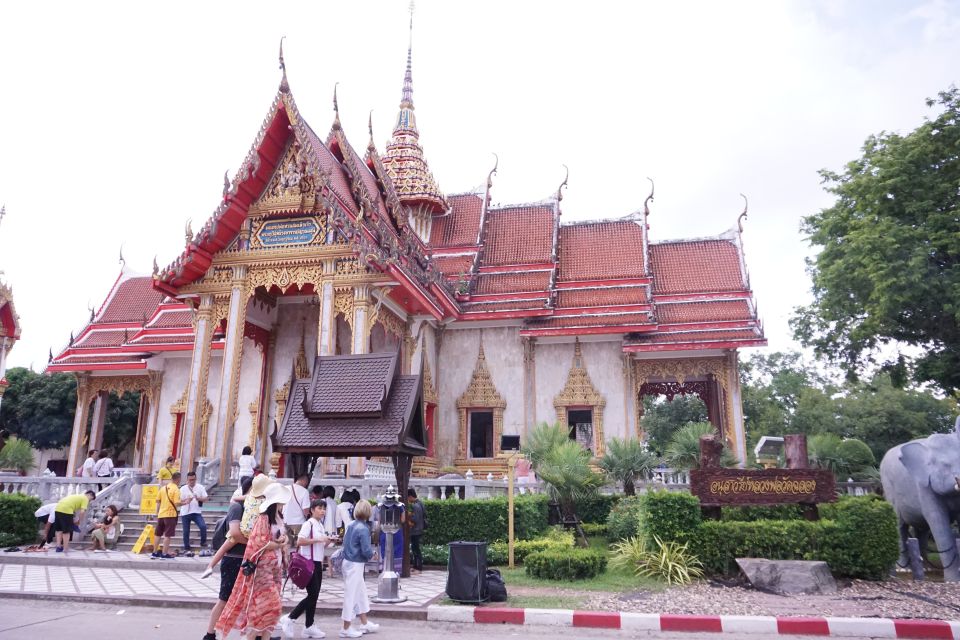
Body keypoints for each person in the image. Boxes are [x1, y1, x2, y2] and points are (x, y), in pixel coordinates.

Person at [216, 482, 290, 640]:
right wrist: (279, 543)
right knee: (268, 608)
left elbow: (280, 538)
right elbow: (259, 543)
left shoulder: (279, 518)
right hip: (263, 570)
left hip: (276, 567)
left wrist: (283, 541)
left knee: (270, 611)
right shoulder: (263, 519)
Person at [202, 476, 253, 640]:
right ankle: (210, 634)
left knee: (251, 599)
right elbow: (235, 534)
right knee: (224, 598)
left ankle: (257, 632)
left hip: (248, 558)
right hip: (233, 559)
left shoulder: (254, 510)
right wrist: (254, 542)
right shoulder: (237, 508)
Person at [281, 499, 336, 638]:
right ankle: (290, 618)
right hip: (308, 562)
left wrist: (328, 540)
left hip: (317, 563)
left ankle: (309, 626)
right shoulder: (309, 524)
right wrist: (319, 540)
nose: (322, 511)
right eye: (319, 508)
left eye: (324, 508)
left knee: (315, 595)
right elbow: (300, 541)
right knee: (312, 595)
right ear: (312, 510)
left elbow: (319, 545)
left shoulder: (320, 525)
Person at [202, 474, 273, 578]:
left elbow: (234, 499)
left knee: (223, 548)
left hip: (243, 529)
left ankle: (210, 566)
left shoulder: (248, 497)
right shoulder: (267, 502)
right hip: (255, 532)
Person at [340, 499, 379, 638]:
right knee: (351, 595)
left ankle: (364, 622)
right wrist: (373, 554)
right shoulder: (364, 529)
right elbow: (367, 550)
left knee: (360, 593)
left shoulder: (351, 525)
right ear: (368, 512)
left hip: (348, 562)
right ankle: (346, 628)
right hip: (355, 564)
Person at [152, 471, 182, 559]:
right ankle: (164, 553)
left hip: (161, 514)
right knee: (167, 535)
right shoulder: (176, 489)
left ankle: (154, 552)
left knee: (158, 534)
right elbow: (176, 503)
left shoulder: (163, 488)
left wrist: (157, 513)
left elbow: (158, 502)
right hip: (170, 514)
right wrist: (185, 502)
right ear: (178, 479)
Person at [180, 471, 208, 556]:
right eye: (190, 480)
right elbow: (179, 501)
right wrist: (186, 501)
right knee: (186, 531)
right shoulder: (183, 489)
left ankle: (203, 542)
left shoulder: (200, 487)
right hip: (185, 512)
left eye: (193, 479)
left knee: (203, 526)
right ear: (187, 480)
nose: (192, 481)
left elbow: (206, 498)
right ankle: (187, 547)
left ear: (196, 479)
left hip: (196, 512)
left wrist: (198, 498)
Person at [285, 473, 311, 545]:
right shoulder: (304, 491)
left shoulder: (286, 488)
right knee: (297, 546)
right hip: (298, 523)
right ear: (304, 480)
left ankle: (287, 556)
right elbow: (305, 510)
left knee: (287, 545)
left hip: (285, 522)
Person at [407, 488, 426, 573]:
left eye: (408, 498)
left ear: (410, 496)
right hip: (419, 529)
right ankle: (415, 566)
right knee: (415, 548)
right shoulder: (420, 503)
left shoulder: (415, 505)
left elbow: (416, 519)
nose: (408, 500)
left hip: (416, 530)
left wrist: (409, 518)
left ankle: (418, 568)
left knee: (416, 549)